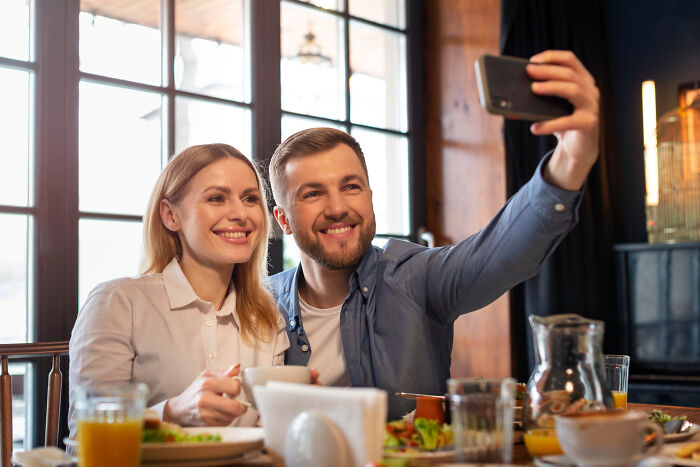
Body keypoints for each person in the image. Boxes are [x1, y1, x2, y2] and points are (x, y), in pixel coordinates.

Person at [268, 50, 600, 419]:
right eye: (313, 194)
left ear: (370, 197)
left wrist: (571, 158)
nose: (337, 208)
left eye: (351, 187)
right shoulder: (260, 304)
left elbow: (503, 249)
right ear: (283, 220)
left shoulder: (418, 278)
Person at [69, 143, 288, 436]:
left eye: (250, 199)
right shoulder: (118, 303)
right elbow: (87, 438)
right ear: (171, 216)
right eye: (216, 198)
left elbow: (270, 434)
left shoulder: (268, 319)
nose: (241, 213)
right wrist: (172, 412)